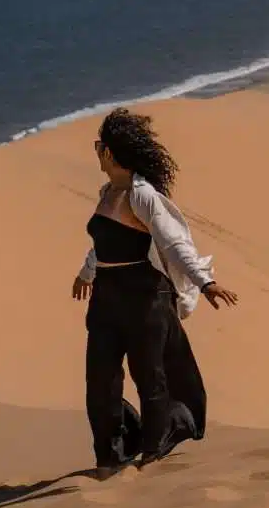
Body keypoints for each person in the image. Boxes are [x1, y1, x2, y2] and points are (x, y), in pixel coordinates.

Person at [72, 107, 238, 477]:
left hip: (145, 295)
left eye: (99, 145)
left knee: (149, 376)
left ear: (111, 153)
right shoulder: (107, 192)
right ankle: (109, 455)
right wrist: (86, 273)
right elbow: (102, 243)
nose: (96, 151)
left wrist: (204, 282)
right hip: (107, 296)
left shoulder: (142, 195)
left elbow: (174, 243)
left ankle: (154, 448)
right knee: (100, 378)